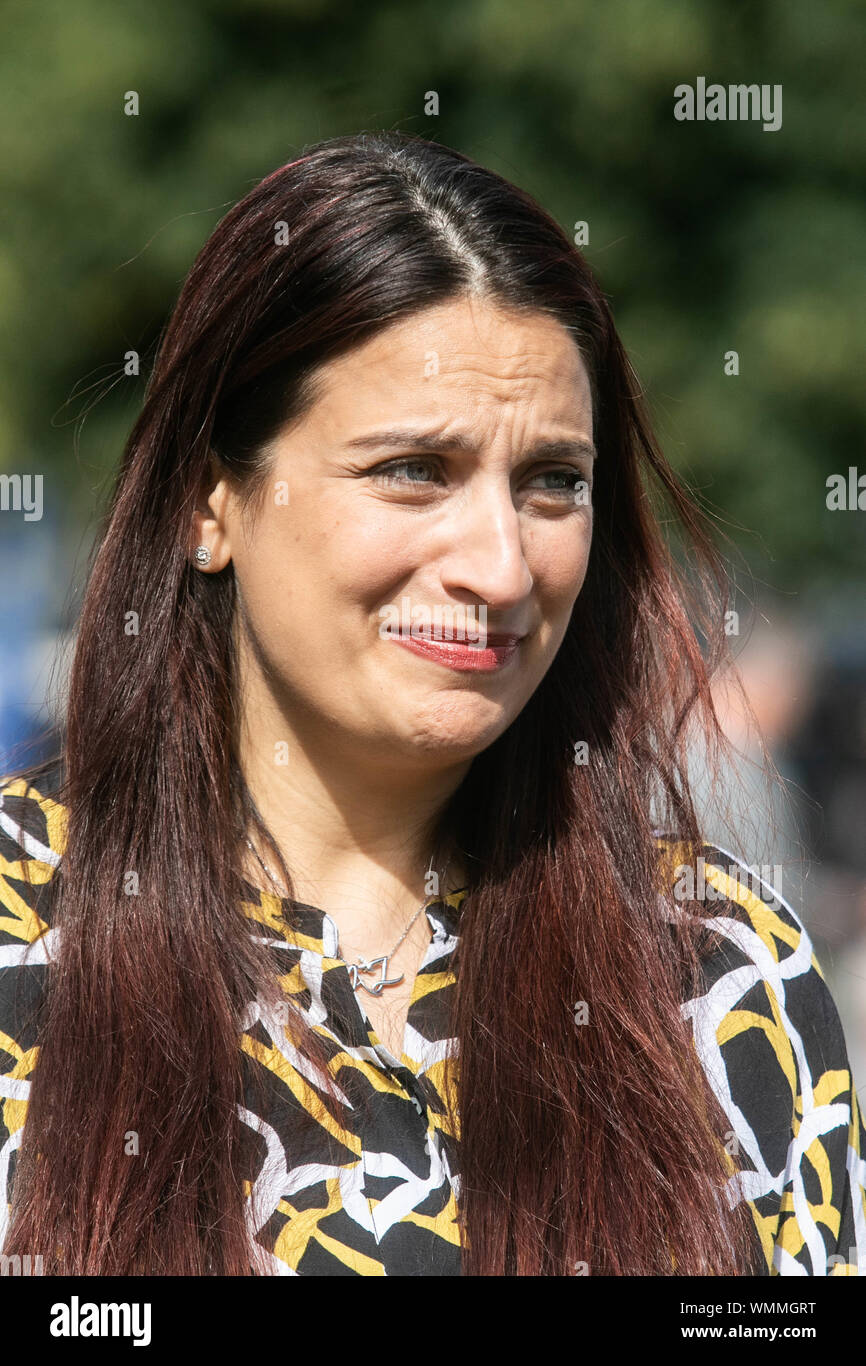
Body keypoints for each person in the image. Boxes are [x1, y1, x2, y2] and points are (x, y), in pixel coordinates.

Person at [1, 131, 863, 1277]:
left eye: (552, 480)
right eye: (413, 469)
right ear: (208, 500)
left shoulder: (714, 973)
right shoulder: (23, 934)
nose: (501, 568)